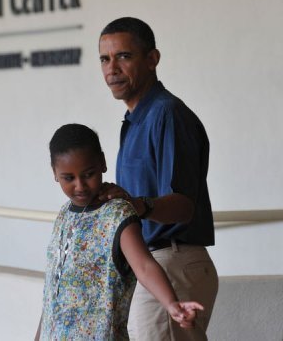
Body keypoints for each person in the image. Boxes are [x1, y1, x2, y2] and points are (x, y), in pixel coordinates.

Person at [97, 17, 218, 340]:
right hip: (151, 265)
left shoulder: (167, 114)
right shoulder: (135, 119)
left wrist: (137, 205)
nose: (112, 68)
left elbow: (183, 207)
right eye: (105, 59)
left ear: (152, 59)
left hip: (172, 261)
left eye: (124, 56)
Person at [35, 123, 203, 341]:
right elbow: (52, 296)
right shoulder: (64, 216)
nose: (80, 186)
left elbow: (144, 265)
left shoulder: (117, 212)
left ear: (102, 163)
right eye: (69, 178)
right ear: (55, 173)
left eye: (88, 174)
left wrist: (172, 304)